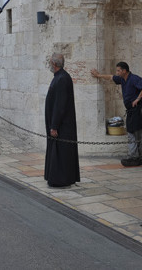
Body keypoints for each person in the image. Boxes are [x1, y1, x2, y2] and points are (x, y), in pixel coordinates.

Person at [91, 62, 142, 167]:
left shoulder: (133, 78)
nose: (117, 72)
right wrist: (98, 75)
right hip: (131, 110)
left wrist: (138, 98)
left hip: (139, 109)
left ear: (124, 71)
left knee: (140, 133)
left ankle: (141, 158)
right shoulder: (122, 79)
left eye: (118, 70)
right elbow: (110, 77)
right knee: (131, 132)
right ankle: (134, 156)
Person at [44, 53, 80, 188]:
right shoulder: (59, 77)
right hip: (59, 124)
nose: (49, 65)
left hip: (62, 126)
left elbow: (60, 105)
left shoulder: (62, 79)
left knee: (62, 153)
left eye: (50, 63)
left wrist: (54, 126)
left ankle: (61, 179)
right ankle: (56, 177)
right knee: (58, 151)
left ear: (54, 64)